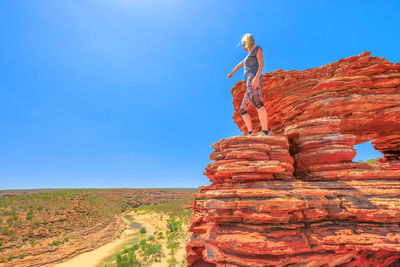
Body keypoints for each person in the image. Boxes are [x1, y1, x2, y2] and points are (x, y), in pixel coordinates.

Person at [226, 33, 269, 136]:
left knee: (258, 103)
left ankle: (265, 132)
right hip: (249, 82)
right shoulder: (247, 57)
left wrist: (257, 78)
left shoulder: (257, 49)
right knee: (242, 109)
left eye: (243, 45)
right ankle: (250, 132)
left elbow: (261, 63)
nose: (244, 48)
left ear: (247, 42)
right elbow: (239, 65)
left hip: (253, 79)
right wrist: (231, 73)